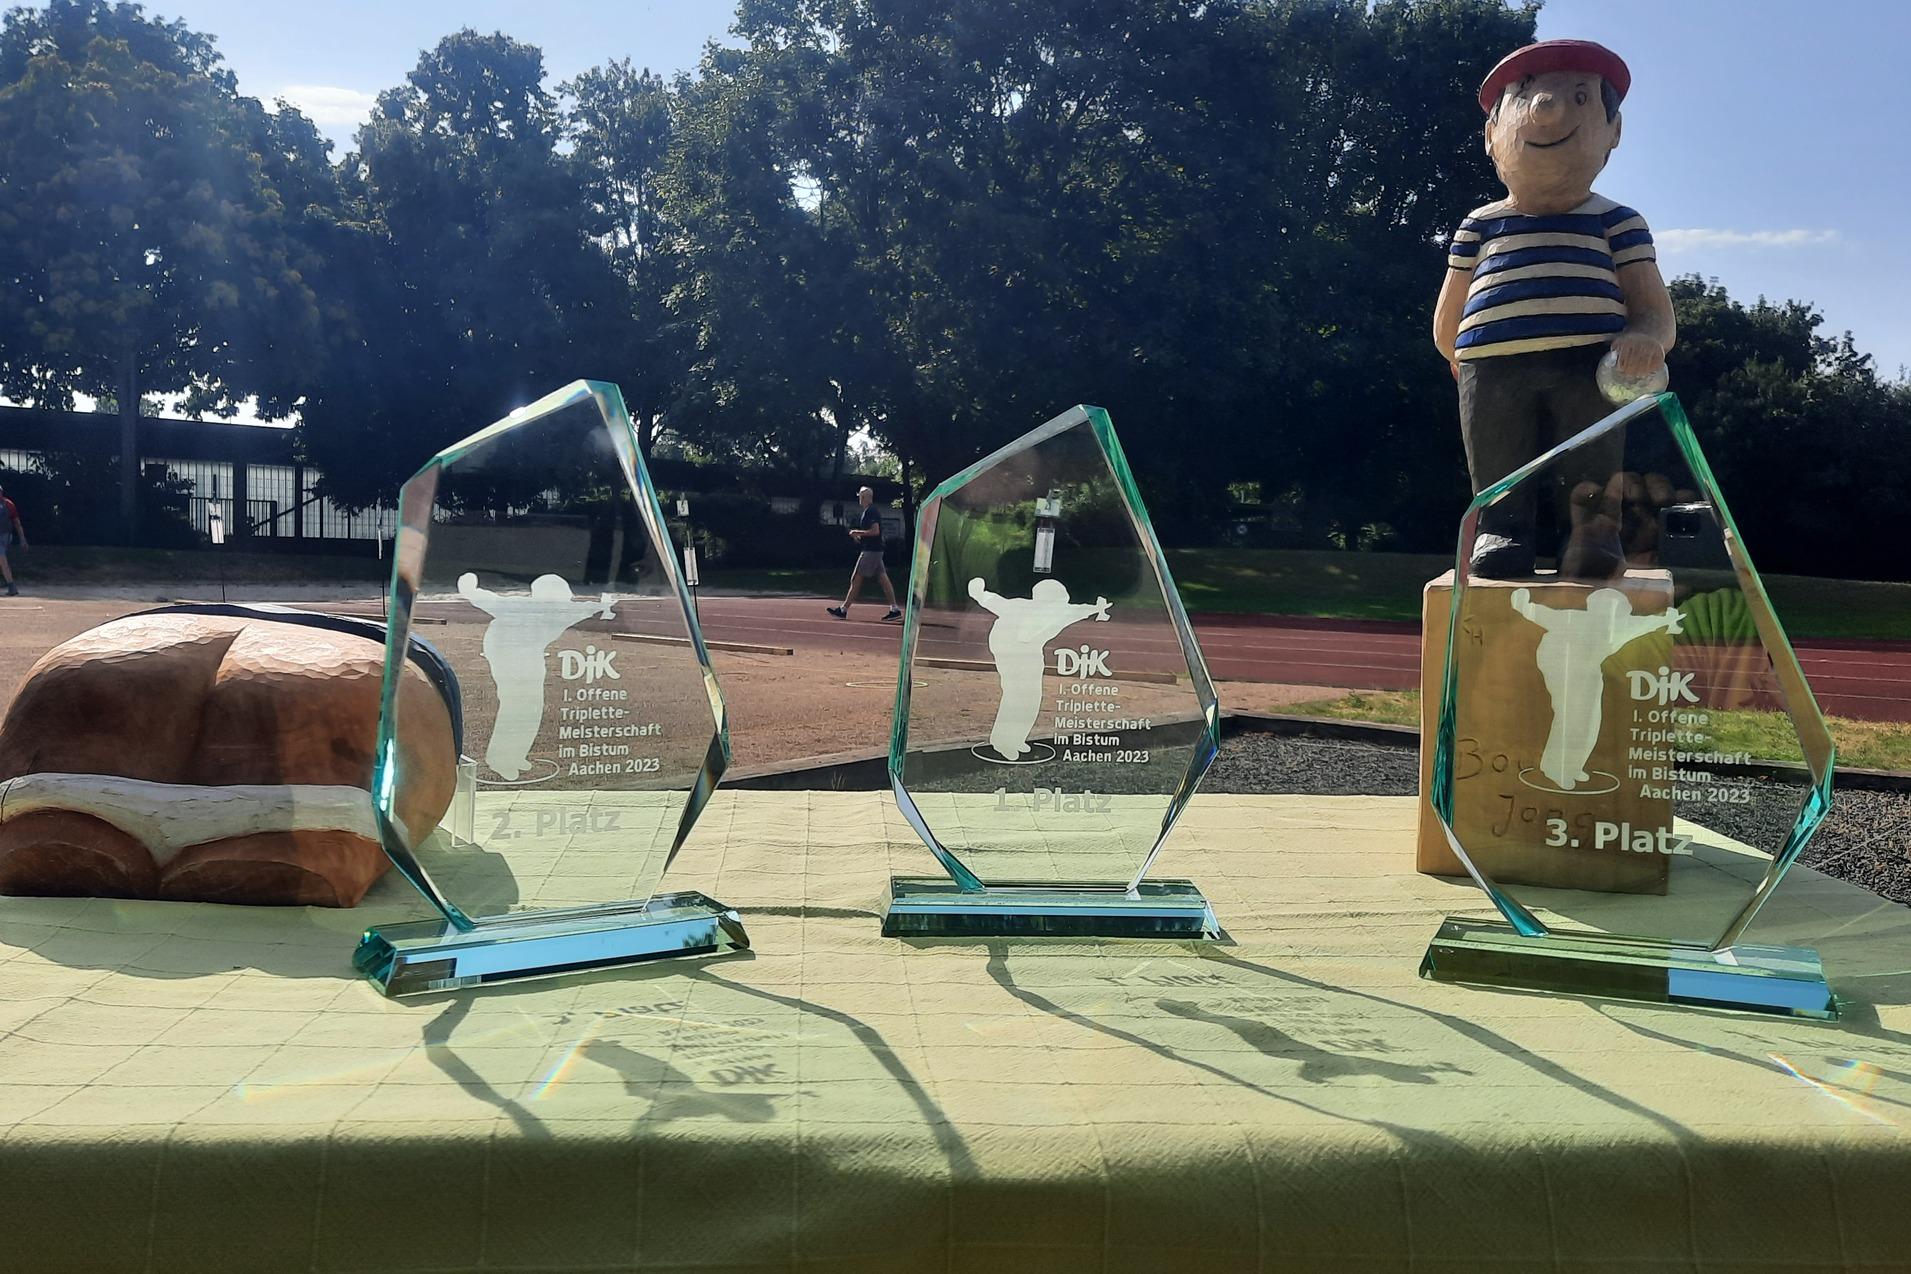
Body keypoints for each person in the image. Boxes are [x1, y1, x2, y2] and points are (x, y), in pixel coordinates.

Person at [1431, 39, 1677, 579]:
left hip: (1588, 365)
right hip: (1490, 369)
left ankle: (1593, 535)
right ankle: (1502, 530)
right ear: (1491, 134)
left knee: (1591, 456)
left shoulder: (1617, 221)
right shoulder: (1479, 224)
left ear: (1613, 132)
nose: (1546, 108)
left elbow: (1654, 309)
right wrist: (1455, 350)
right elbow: (1449, 308)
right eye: (1522, 98)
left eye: (1581, 97)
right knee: (1497, 460)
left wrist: (1645, 339)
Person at [458, 572, 616, 780]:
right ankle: (500, 760)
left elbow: (584, 607)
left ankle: (516, 756)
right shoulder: (522, 607)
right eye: (563, 594)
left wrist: (603, 604)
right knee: (515, 707)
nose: (567, 599)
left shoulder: (562, 610)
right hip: (505, 656)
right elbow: (490, 601)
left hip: (530, 656)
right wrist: (470, 590)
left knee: (532, 708)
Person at [969, 576, 1110, 760]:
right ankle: (1004, 742)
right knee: (1016, 695)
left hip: (1029, 653)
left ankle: (1016, 739)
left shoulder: (1058, 609)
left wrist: (1097, 608)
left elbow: (1078, 610)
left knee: (1030, 697)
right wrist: (979, 593)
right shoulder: (1024, 606)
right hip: (1010, 652)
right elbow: (994, 601)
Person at [826, 486, 901, 621]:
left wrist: (857, 532)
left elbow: (875, 531)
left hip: (871, 551)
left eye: (860, 496)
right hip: (875, 550)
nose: (859, 499)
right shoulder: (869, 511)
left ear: (866, 497)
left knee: (856, 578)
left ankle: (843, 610)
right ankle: (894, 609)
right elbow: (873, 533)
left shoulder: (871, 512)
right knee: (883, 579)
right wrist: (861, 537)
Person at [0, 484, 25, 596]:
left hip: (4, 536)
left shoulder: (8, 504)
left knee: (1, 557)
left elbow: (17, 523)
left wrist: (22, 539)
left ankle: (11, 585)